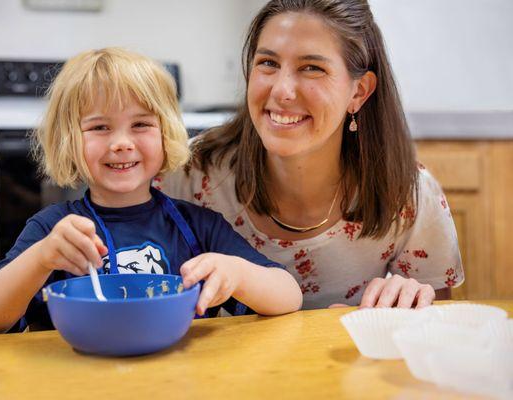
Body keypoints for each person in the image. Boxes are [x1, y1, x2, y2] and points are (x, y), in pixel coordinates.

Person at [0, 48, 302, 335]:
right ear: (69, 140)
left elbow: (289, 296)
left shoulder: (199, 226)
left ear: (165, 133)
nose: (122, 143)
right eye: (99, 127)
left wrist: (238, 274)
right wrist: (40, 259)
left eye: (140, 124)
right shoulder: (52, 233)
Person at [158, 0, 463, 310]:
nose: (282, 91)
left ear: (358, 92)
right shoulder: (190, 173)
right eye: (268, 63)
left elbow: (431, 337)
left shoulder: (409, 194)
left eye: (312, 68)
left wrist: (410, 303)